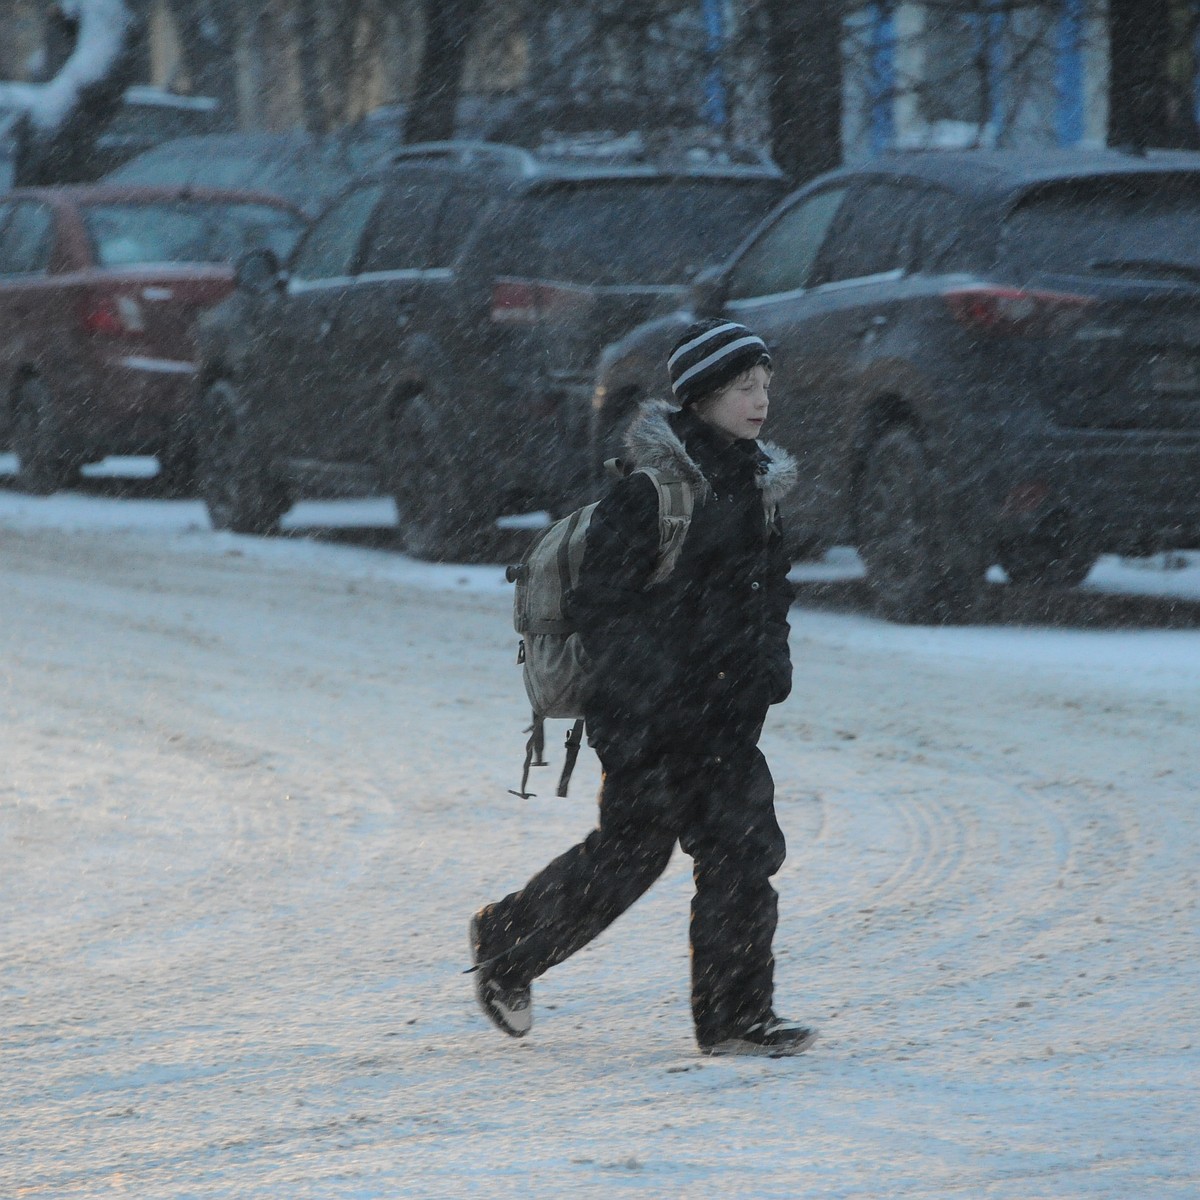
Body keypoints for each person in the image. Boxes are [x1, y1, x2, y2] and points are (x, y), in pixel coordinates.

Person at [469, 319, 816, 1057]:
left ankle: (736, 1019)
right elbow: (606, 611)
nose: (759, 402)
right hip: (649, 718)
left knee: (744, 851)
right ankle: (507, 940)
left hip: (727, 717)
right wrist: (646, 703)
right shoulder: (648, 498)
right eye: (742, 388)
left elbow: (772, 590)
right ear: (700, 398)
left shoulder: (759, 490)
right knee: (631, 856)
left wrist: (770, 667)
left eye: (764, 387)